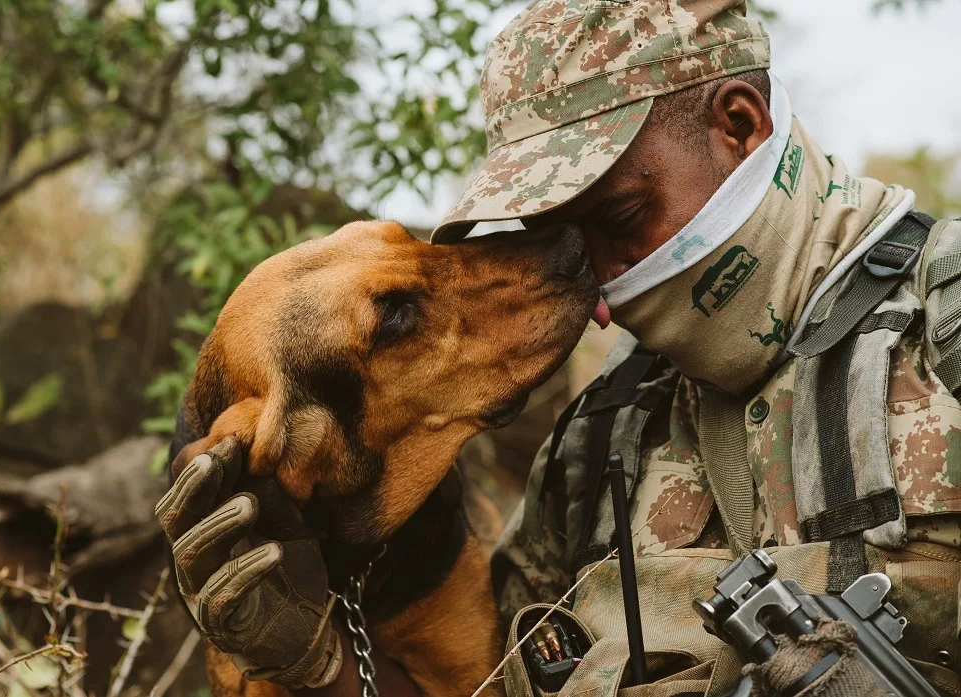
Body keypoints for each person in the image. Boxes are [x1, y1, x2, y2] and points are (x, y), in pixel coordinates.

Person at [157, 1, 961, 695]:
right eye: (562, 234)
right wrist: (326, 668)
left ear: (740, 125)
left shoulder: (946, 330)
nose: (598, 283)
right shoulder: (598, 438)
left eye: (619, 219)